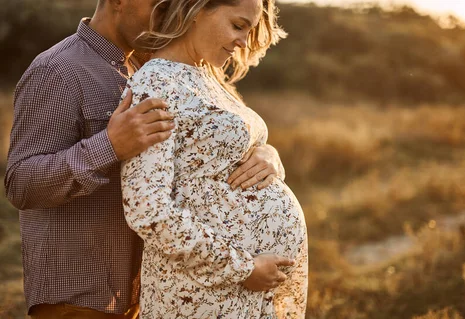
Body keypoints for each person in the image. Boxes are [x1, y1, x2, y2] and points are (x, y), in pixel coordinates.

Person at [4, 0, 286, 317]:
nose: (169, 13)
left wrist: (265, 151)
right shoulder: (58, 71)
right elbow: (20, 183)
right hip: (80, 299)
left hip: (148, 294)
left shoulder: (162, 68)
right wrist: (109, 145)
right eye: (159, 4)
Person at [119, 0, 308, 318]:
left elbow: (226, 151)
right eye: (237, 26)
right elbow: (148, 211)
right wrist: (244, 268)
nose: (242, 42)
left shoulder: (207, 77)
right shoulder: (157, 85)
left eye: (248, 31)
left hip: (240, 291)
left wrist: (268, 153)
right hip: (203, 291)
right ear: (195, 10)